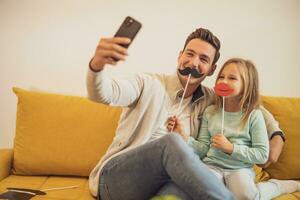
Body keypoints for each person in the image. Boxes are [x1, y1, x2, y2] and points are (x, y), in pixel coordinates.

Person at [86, 28, 284, 200]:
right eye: (189, 54)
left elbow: (248, 103)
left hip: (164, 184)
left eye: (203, 59)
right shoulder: (147, 84)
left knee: (180, 191)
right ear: (179, 56)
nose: (193, 63)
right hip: (117, 181)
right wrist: (97, 65)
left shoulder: (211, 99)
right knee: (172, 142)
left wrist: (276, 135)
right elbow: (104, 93)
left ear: (211, 69)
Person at [167, 58, 300, 200]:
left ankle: (277, 186)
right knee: (204, 192)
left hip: (239, 168)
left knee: (247, 196)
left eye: (232, 78)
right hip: (212, 165)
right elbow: (203, 148)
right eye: (221, 77)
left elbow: (261, 155)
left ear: (246, 85)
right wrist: (184, 137)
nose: (224, 81)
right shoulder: (210, 112)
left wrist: (231, 148)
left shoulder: (253, 115)